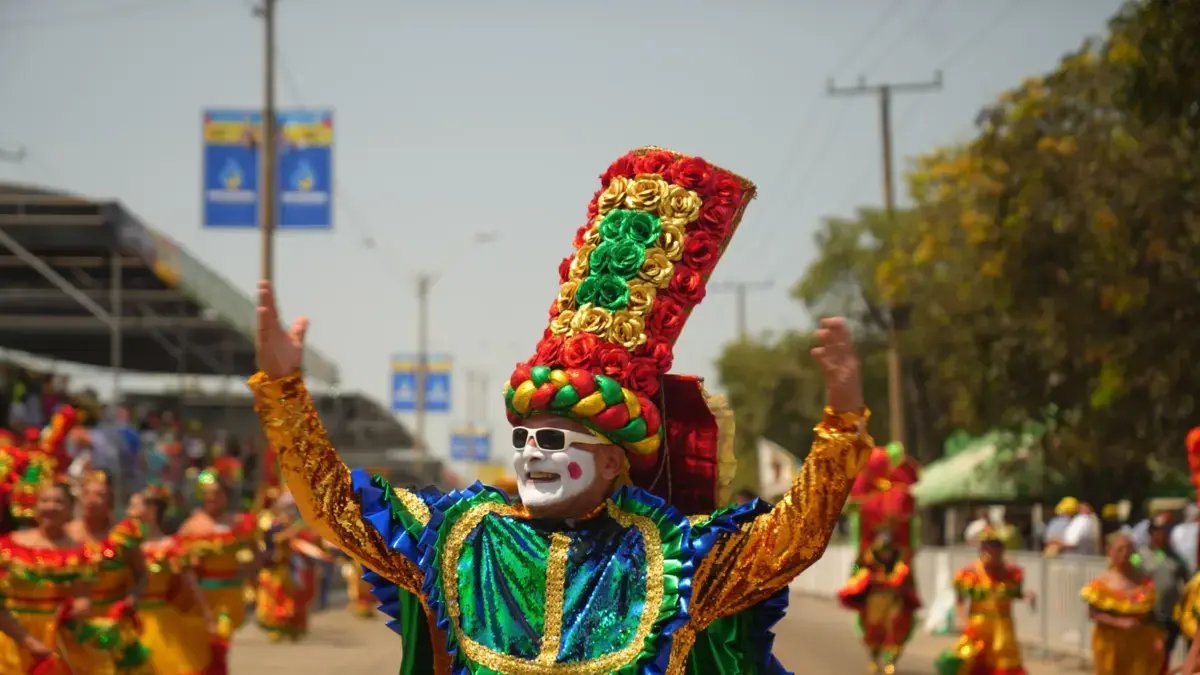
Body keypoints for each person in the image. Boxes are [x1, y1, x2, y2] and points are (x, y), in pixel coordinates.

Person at [249, 147, 874, 672]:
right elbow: (335, 508)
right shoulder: (462, 539)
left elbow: (793, 539)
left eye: (553, 441)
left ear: (610, 463)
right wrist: (284, 391)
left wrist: (842, 424)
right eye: (523, 438)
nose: (529, 454)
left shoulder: (671, 558)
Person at [0, 482, 97, 673]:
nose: (51, 506)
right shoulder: (7, 547)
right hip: (11, 635)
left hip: (59, 639)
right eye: (45, 500)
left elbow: (83, 596)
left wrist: (81, 607)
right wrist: (28, 641)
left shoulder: (80, 552)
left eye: (59, 502)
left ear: (70, 509)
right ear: (35, 507)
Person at [67, 470, 151, 674]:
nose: (92, 500)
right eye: (86, 494)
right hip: (75, 621)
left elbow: (142, 573)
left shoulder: (124, 534)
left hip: (114, 620)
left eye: (99, 495)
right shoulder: (67, 533)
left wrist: (133, 597)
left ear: (111, 503)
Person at [177, 469, 259, 672]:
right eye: (208, 494)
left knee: (221, 643)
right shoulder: (192, 526)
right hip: (201, 595)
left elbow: (254, 554)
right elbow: (183, 567)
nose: (212, 498)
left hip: (230, 596)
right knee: (202, 648)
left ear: (225, 496)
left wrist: (250, 571)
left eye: (217, 494)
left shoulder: (237, 523)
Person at [127, 487, 214, 674]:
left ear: (152, 510)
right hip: (128, 619)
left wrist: (206, 615)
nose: (129, 512)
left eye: (134, 506)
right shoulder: (121, 546)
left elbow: (190, 584)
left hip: (160, 622)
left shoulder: (170, 547)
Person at [936, 528, 1035, 675]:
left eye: (997, 546)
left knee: (1005, 664)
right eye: (989, 546)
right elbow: (960, 602)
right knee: (971, 662)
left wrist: (1026, 596)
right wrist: (964, 622)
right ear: (982, 549)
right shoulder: (969, 573)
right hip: (978, 627)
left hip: (1003, 628)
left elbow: (1015, 593)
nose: (993, 551)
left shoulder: (1012, 572)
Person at [837, 532, 920, 674]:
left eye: (888, 550)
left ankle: (890, 661)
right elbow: (855, 571)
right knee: (874, 632)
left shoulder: (901, 563)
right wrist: (859, 571)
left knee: (896, 631)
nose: (885, 554)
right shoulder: (867, 559)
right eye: (882, 550)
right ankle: (874, 659)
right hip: (874, 602)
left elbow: (909, 581)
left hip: (894, 602)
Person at [1082, 533, 1164, 675]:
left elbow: (1150, 613)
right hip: (1110, 645)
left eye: (1129, 549)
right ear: (1109, 551)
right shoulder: (1103, 582)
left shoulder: (1142, 579)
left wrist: (1158, 636)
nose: (1125, 553)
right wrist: (1119, 622)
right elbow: (1093, 613)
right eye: (1120, 549)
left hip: (1139, 642)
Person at [1141, 520, 1188, 671]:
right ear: (1151, 533)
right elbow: (1131, 577)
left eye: (1166, 532)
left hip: (1171, 615)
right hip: (1149, 614)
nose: (1163, 535)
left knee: (1165, 653)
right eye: (1159, 531)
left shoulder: (1176, 558)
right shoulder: (1139, 555)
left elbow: (1187, 581)